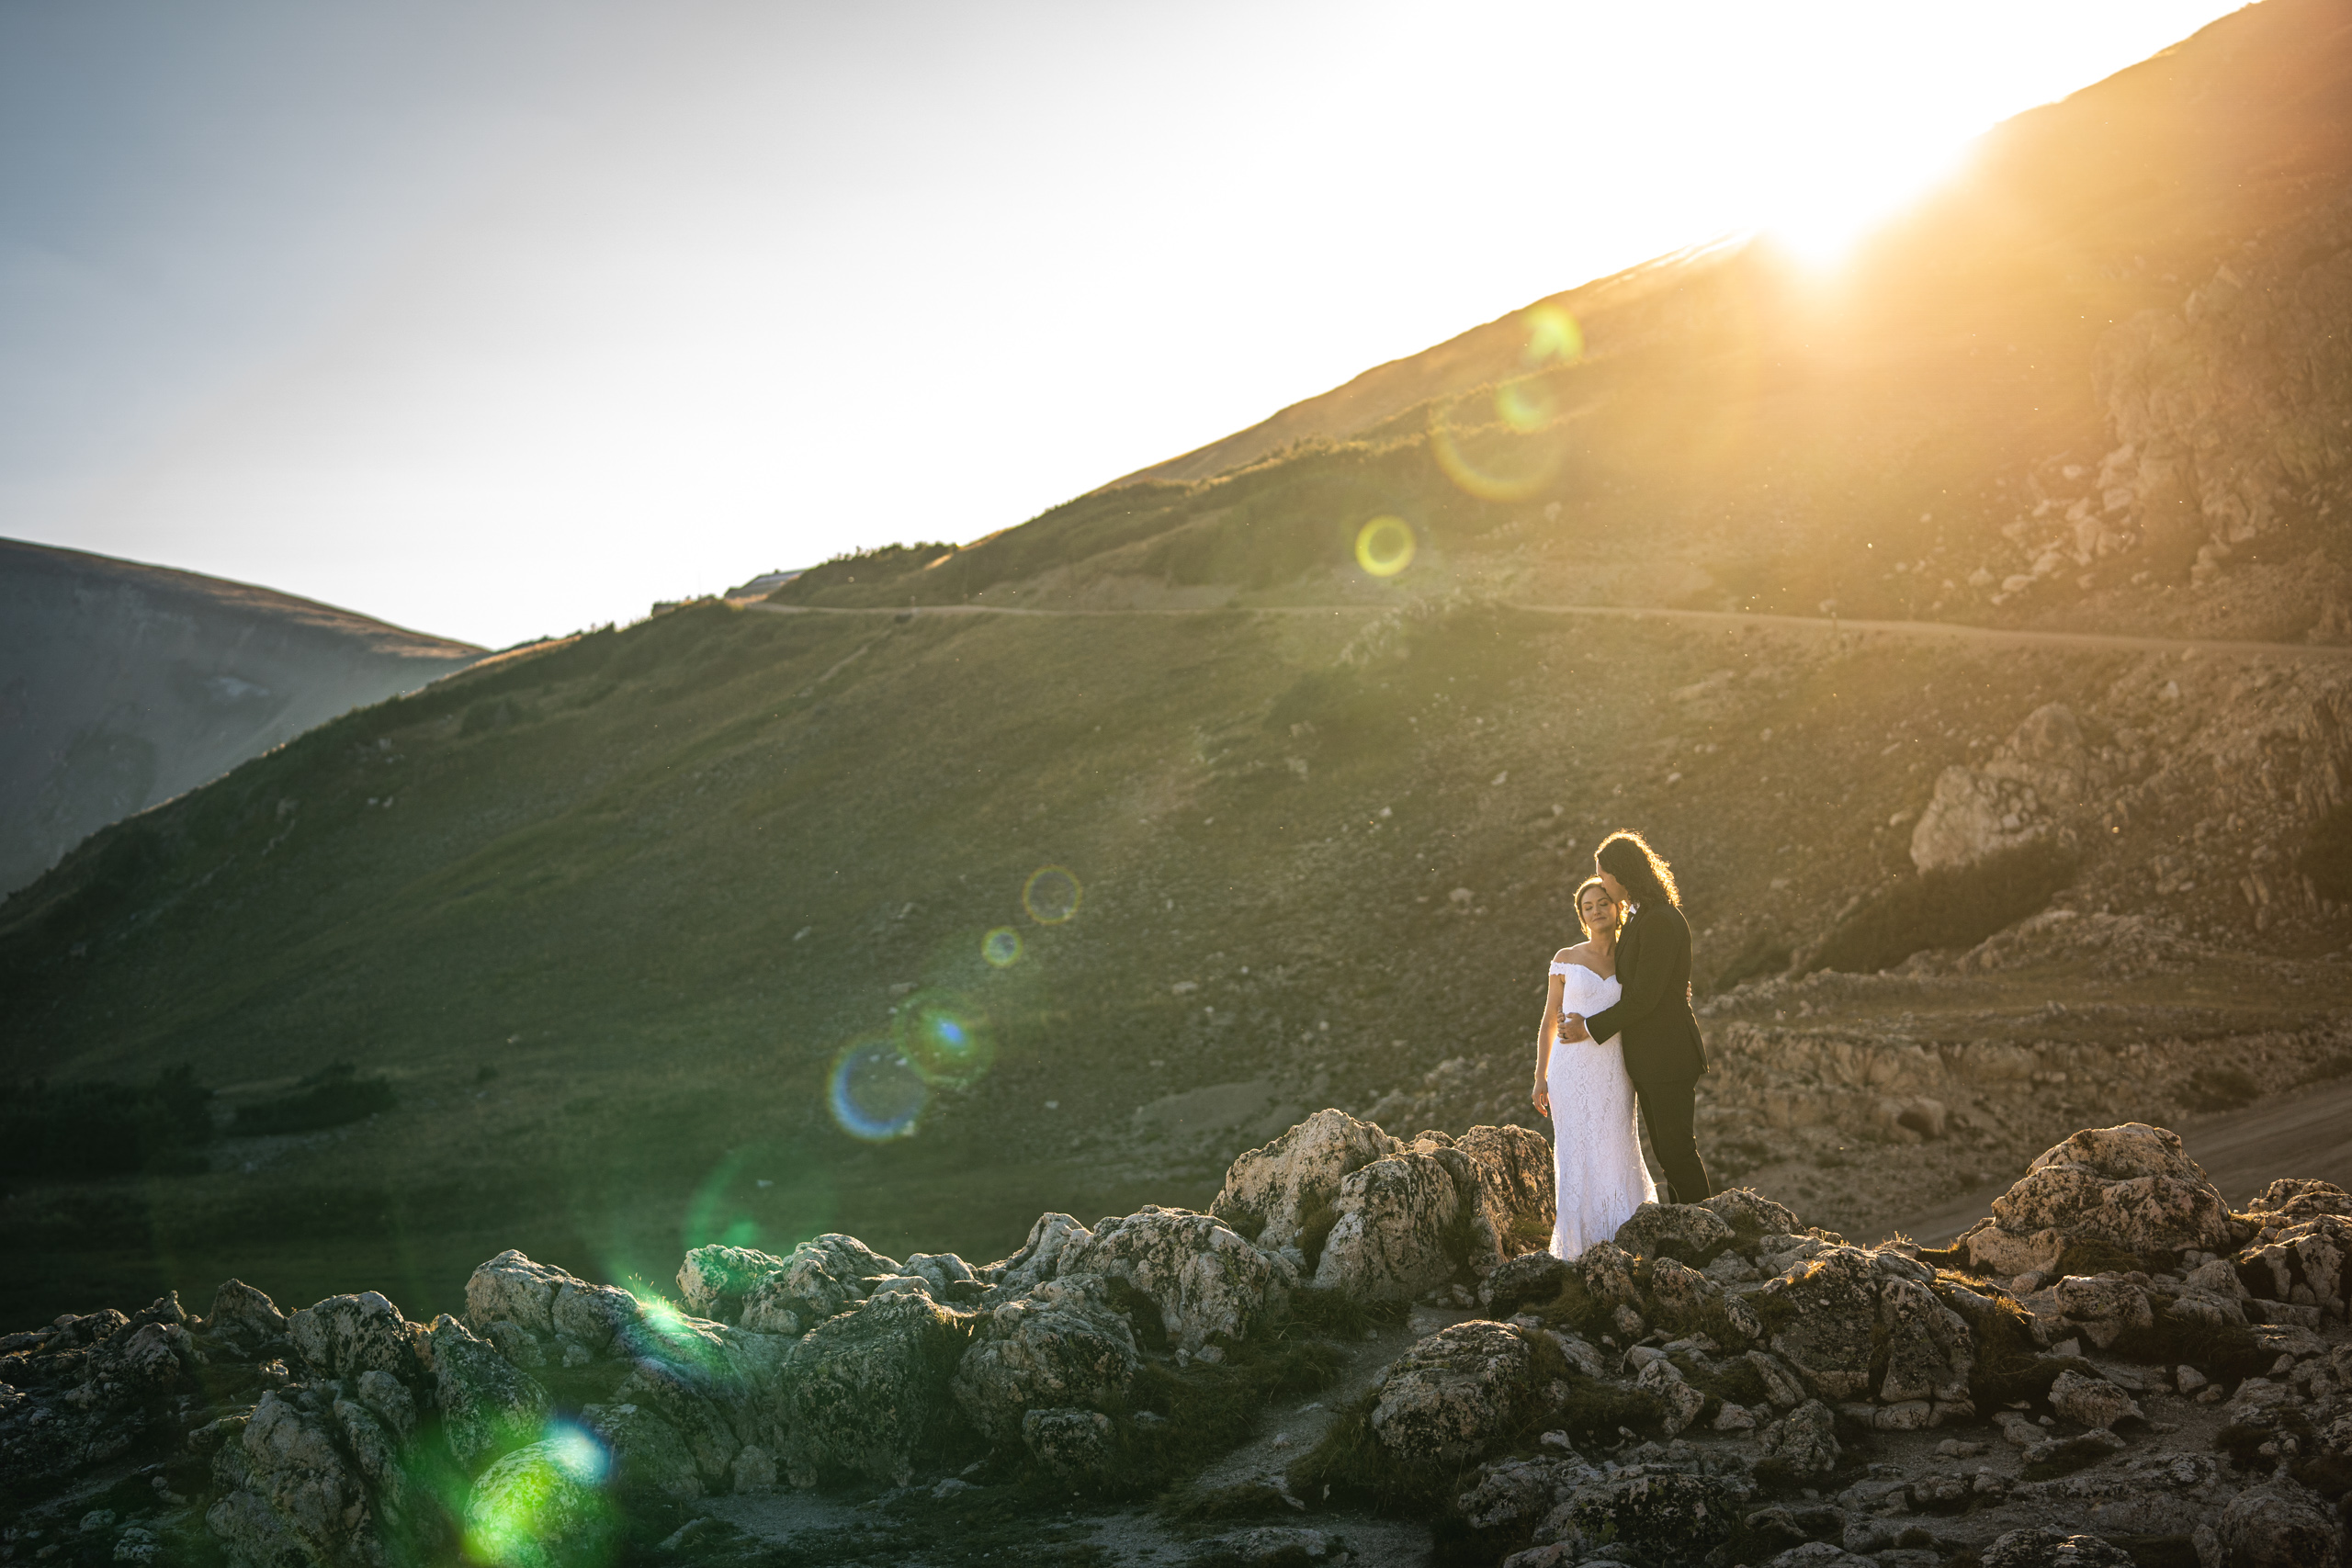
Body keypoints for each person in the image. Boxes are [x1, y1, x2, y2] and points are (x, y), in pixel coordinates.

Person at [1559, 829, 1714, 1206]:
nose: (1603, 883)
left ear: (1621, 873)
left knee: (1677, 1151)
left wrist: (1588, 1027)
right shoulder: (1642, 917)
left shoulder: (1660, 920)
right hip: (1650, 1058)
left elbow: (1645, 996)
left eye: (1604, 874)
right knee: (1667, 1153)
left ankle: (1707, 1226)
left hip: (1669, 1055)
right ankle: (1690, 1226)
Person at [1532, 876, 1657, 1258]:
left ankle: (1625, 1238)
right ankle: (1578, 1246)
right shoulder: (1566, 957)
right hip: (1570, 1071)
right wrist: (1540, 1076)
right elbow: (1549, 1020)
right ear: (1581, 915)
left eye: (1603, 902)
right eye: (1588, 906)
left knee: (1617, 1145)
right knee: (1577, 1150)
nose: (1597, 910)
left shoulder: (1631, 955)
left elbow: (1647, 997)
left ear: (1617, 907)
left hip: (1616, 1068)